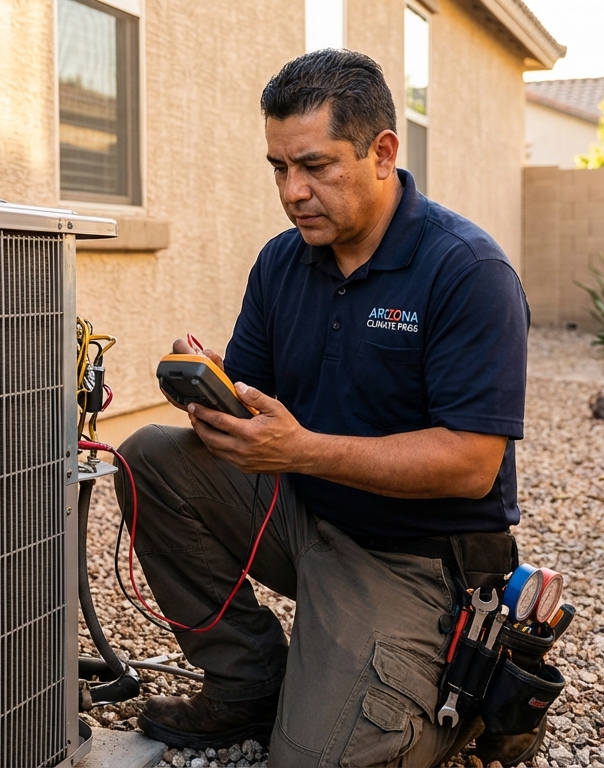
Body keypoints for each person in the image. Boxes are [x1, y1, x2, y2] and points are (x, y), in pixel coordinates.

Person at [113, 48, 531, 767]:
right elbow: (255, 412)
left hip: (414, 560)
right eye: (279, 167)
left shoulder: (467, 270)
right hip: (306, 516)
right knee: (150, 455)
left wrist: (301, 450)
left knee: (311, 759)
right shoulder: (282, 262)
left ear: (382, 152)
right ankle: (247, 681)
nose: (293, 190)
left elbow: (470, 464)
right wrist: (215, 392)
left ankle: (471, 705)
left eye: (316, 165)